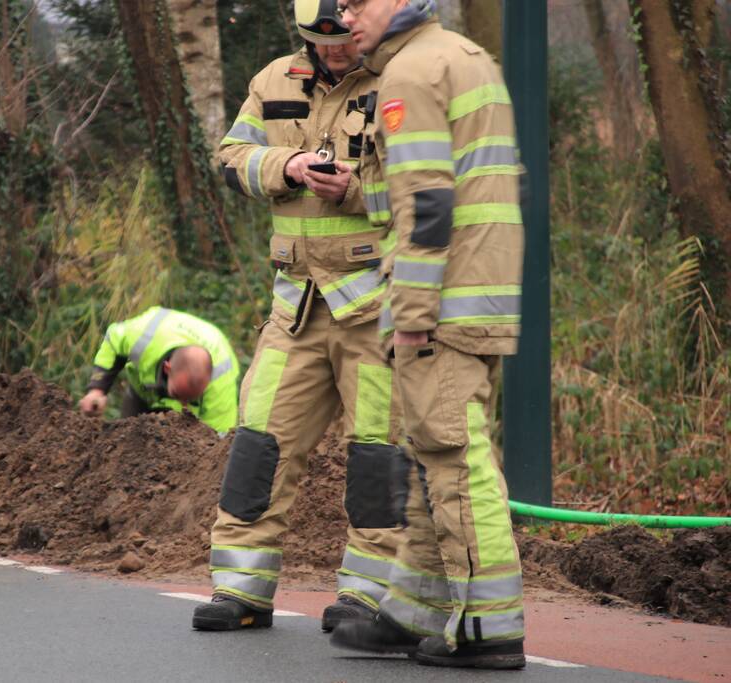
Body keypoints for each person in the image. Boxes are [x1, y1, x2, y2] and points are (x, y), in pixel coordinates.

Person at [191, 0, 409, 634]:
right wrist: (284, 167)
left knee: (377, 455)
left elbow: (429, 185)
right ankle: (241, 591)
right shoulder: (273, 80)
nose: (335, 51)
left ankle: (369, 596)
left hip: (375, 309)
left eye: (344, 40)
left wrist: (356, 190)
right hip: (296, 306)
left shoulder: (399, 80)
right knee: (258, 444)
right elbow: (230, 157)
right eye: (321, 42)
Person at [331, 0, 527, 670]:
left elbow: (427, 205)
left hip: (439, 303)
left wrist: (411, 315)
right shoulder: (466, 57)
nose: (345, 15)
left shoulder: (410, 73)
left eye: (357, 2)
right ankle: (413, 610)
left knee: (453, 461)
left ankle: (488, 627)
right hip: (480, 291)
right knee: (431, 454)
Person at [79, 307, 239, 435]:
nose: (184, 405)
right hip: (143, 393)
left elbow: (218, 437)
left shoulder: (221, 380)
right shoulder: (143, 336)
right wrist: (97, 390)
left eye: (191, 399)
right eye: (178, 395)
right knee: (125, 441)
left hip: (191, 425)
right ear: (167, 368)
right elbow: (113, 342)